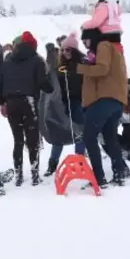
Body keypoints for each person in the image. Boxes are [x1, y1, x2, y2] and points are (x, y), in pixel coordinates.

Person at [0, 31, 52, 186]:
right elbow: (43, 82)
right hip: (29, 102)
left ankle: (19, 175)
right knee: (32, 140)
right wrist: (50, 87)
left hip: (12, 103)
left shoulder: (7, 62)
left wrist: (2, 102)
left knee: (18, 140)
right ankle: (34, 175)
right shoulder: (37, 60)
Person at [77, 27, 127, 188]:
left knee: (89, 137)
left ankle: (99, 178)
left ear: (92, 38)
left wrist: (79, 68)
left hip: (104, 100)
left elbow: (102, 68)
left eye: (85, 41)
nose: (85, 45)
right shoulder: (112, 49)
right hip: (115, 101)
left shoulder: (103, 45)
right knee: (110, 138)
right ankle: (119, 174)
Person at [44, 33, 85, 176]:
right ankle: (52, 163)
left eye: (68, 50)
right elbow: (50, 69)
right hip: (61, 103)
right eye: (62, 50)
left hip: (78, 102)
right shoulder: (59, 65)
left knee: (79, 131)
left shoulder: (82, 63)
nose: (65, 53)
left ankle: (79, 161)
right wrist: (50, 53)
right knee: (58, 132)